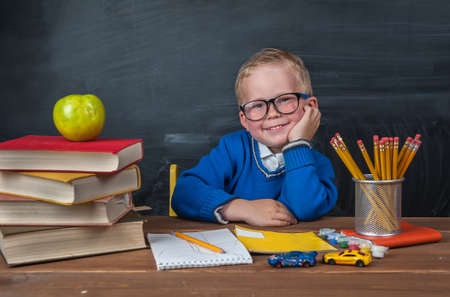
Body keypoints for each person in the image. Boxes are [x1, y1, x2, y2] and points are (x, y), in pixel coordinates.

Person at [172, 48, 337, 226]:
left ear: (310, 107)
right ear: (244, 119)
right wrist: (243, 208)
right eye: (258, 105)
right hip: (235, 251)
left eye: (284, 99)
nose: (272, 113)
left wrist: (297, 146)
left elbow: (304, 209)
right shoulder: (232, 149)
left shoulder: (317, 163)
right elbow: (184, 193)